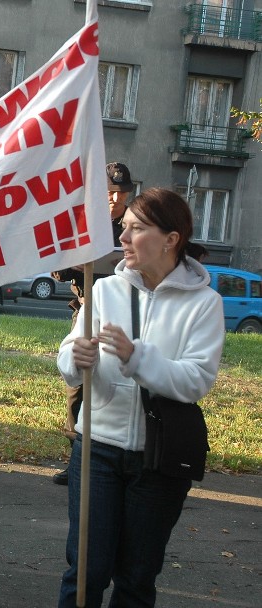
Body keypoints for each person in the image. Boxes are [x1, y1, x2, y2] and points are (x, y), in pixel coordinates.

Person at [56, 188, 224, 607]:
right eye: (123, 227)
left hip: (159, 461)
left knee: (135, 578)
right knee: (85, 572)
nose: (124, 238)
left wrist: (137, 357)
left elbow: (196, 380)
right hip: (98, 450)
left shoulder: (204, 303)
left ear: (171, 238)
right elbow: (67, 358)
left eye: (137, 228)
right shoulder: (105, 289)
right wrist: (75, 358)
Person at [51, 162, 134, 485]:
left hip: (125, 311)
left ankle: (113, 460)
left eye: (123, 193)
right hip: (87, 310)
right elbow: (57, 271)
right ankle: (77, 461)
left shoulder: (133, 224)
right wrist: (78, 258)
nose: (117, 200)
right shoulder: (85, 222)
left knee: (115, 381)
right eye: (112, 193)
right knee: (78, 386)